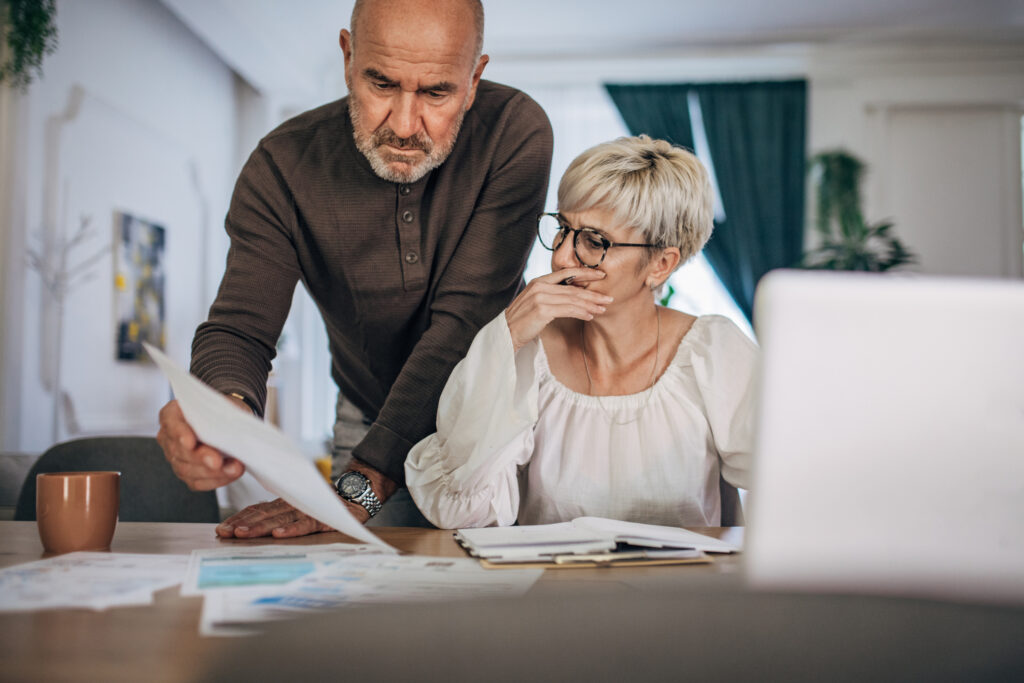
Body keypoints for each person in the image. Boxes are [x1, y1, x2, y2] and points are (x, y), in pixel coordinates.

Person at [155, 0, 552, 537]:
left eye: (437, 92)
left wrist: (366, 480)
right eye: (382, 84)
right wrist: (224, 413)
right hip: (367, 414)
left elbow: (464, 323)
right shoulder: (281, 166)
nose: (406, 125)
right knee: (363, 608)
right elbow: (240, 327)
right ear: (347, 56)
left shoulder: (514, 132)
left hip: (495, 420)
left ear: (475, 77)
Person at [405, 135, 757, 529]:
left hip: (682, 591)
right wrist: (504, 340)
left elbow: (796, 484)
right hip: (550, 590)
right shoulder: (527, 354)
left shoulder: (714, 353)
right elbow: (461, 511)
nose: (559, 257)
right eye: (562, 228)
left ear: (660, 264)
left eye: (594, 242)